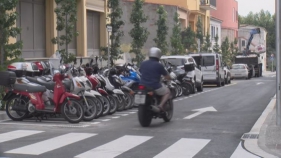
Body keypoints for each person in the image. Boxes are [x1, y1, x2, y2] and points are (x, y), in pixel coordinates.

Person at [139, 47, 171, 113]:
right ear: (158, 55)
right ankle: (161, 105)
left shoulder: (143, 63)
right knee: (167, 91)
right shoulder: (159, 65)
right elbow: (167, 76)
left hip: (142, 86)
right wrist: (169, 78)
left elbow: (140, 71)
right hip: (154, 86)